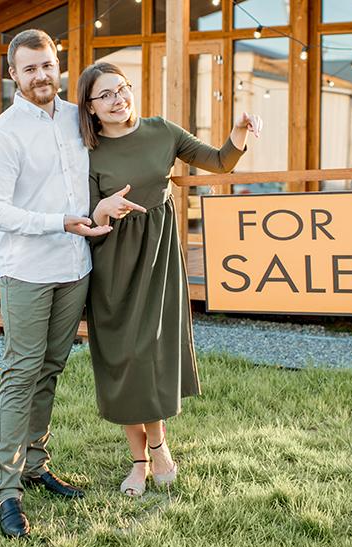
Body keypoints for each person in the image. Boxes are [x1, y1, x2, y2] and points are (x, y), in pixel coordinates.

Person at [76, 62, 263, 497]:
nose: (118, 99)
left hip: (157, 255)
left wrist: (239, 133)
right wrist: (102, 210)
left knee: (149, 355)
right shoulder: (86, 149)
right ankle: (141, 460)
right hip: (110, 258)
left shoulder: (162, 131)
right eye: (105, 95)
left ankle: (156, 448)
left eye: (121, 89)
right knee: (121, 359)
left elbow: (218, 163)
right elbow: (84, 212)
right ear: (90, 106)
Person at [0, 30, 111, 538]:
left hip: (74, 267)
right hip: (28, 270)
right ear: (13, 74)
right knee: (21, 373)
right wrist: (58, 221)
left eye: (48, 65)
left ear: (59, 65)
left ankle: (34, 463)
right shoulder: (4, 134)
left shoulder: (80, 117)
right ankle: (6, 490)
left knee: (51, 368)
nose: (41, 75)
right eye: (29, 68)